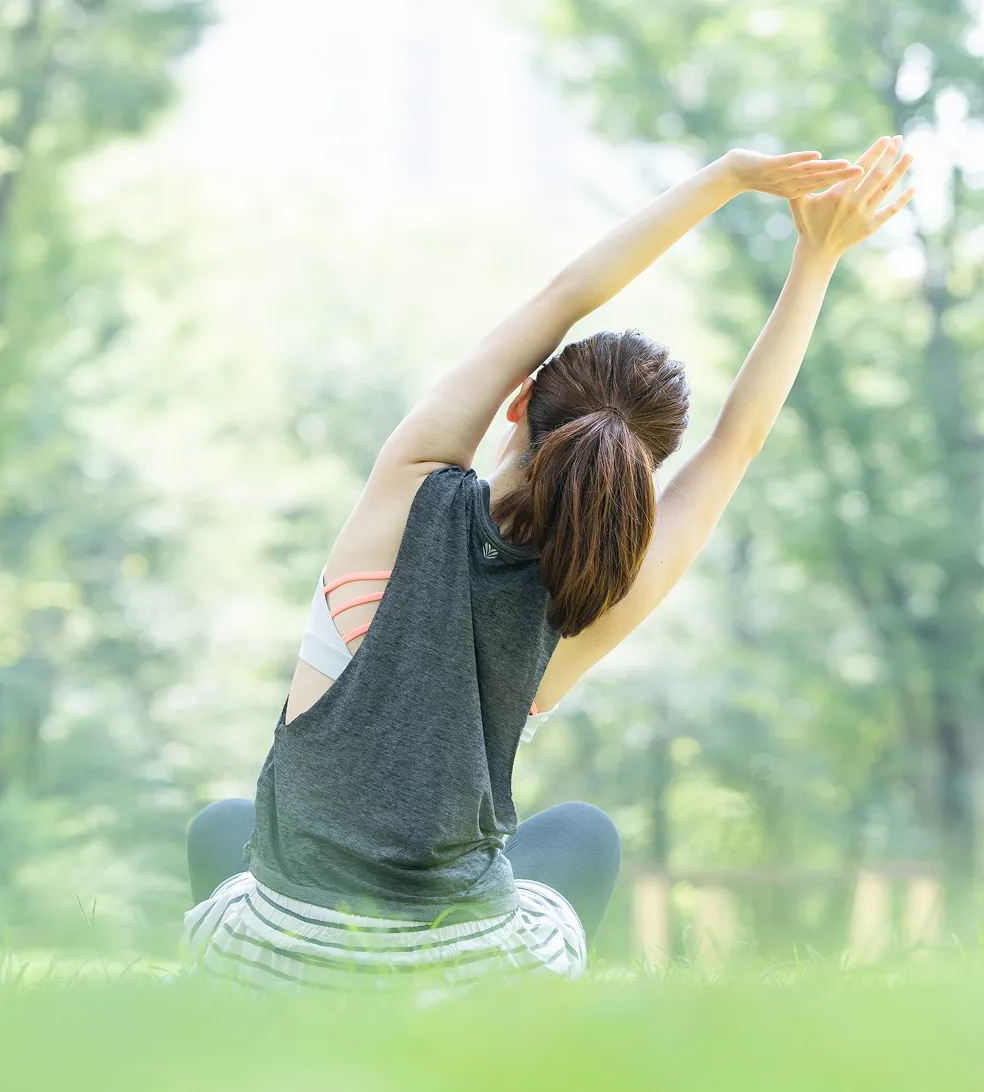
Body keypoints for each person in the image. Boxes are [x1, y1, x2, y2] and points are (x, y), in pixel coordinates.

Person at [183, 136, 914, 993]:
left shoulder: (407, 488)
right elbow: (737, 445)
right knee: (581, 835)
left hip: (270, 958)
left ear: (521, 402)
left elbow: (562, 297)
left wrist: (725, 178)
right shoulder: (594, 595)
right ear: (641, 477)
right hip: (471, 981)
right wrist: (817, 258)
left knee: (222, 827)